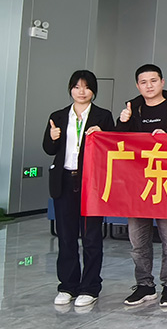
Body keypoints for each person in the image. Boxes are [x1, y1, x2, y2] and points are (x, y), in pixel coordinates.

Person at [117, 63, 167, 307]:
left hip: (166, 181)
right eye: (143, 82)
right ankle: (144, 285)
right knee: (138, 240)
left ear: (162, 82)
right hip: (137, 184)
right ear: (137, 86)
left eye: (153, 81)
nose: (149, 86)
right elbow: (118, 144)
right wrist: (122, 122)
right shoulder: (132, 109)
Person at [43, 70, 115, 307]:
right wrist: (53, 137)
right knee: (66, 237)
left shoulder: (103, 116)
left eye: (86, 87)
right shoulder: (58, 116)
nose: (81, 91)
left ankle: (90, 287)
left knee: (91, 237)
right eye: (76, 87)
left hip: (91, 183)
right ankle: (67, 286)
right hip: (64, 180)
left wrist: (103, 135)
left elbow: (114, 148)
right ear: (70, 89)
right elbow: (49, 149)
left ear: (94, 90)